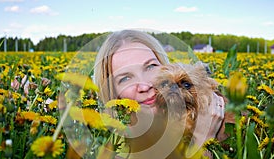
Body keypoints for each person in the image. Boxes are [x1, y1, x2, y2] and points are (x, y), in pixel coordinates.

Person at [93, 29, 225, 149]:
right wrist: (203, 138)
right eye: (125, 78)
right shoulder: (118, 147)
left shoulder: (212, 108)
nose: (145, 86)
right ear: (113, 92)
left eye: (150, 67)